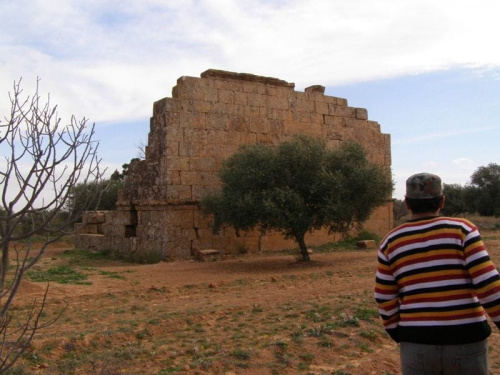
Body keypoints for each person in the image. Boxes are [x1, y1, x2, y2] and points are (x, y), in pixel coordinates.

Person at [374, 172, 500, 375]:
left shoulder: (391, 241)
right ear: (442, 201)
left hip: (416, 344)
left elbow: (383, 295)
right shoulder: (463, 230)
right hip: (466, 340)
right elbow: (488, 285)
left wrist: (399, 332)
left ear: (406, 203)